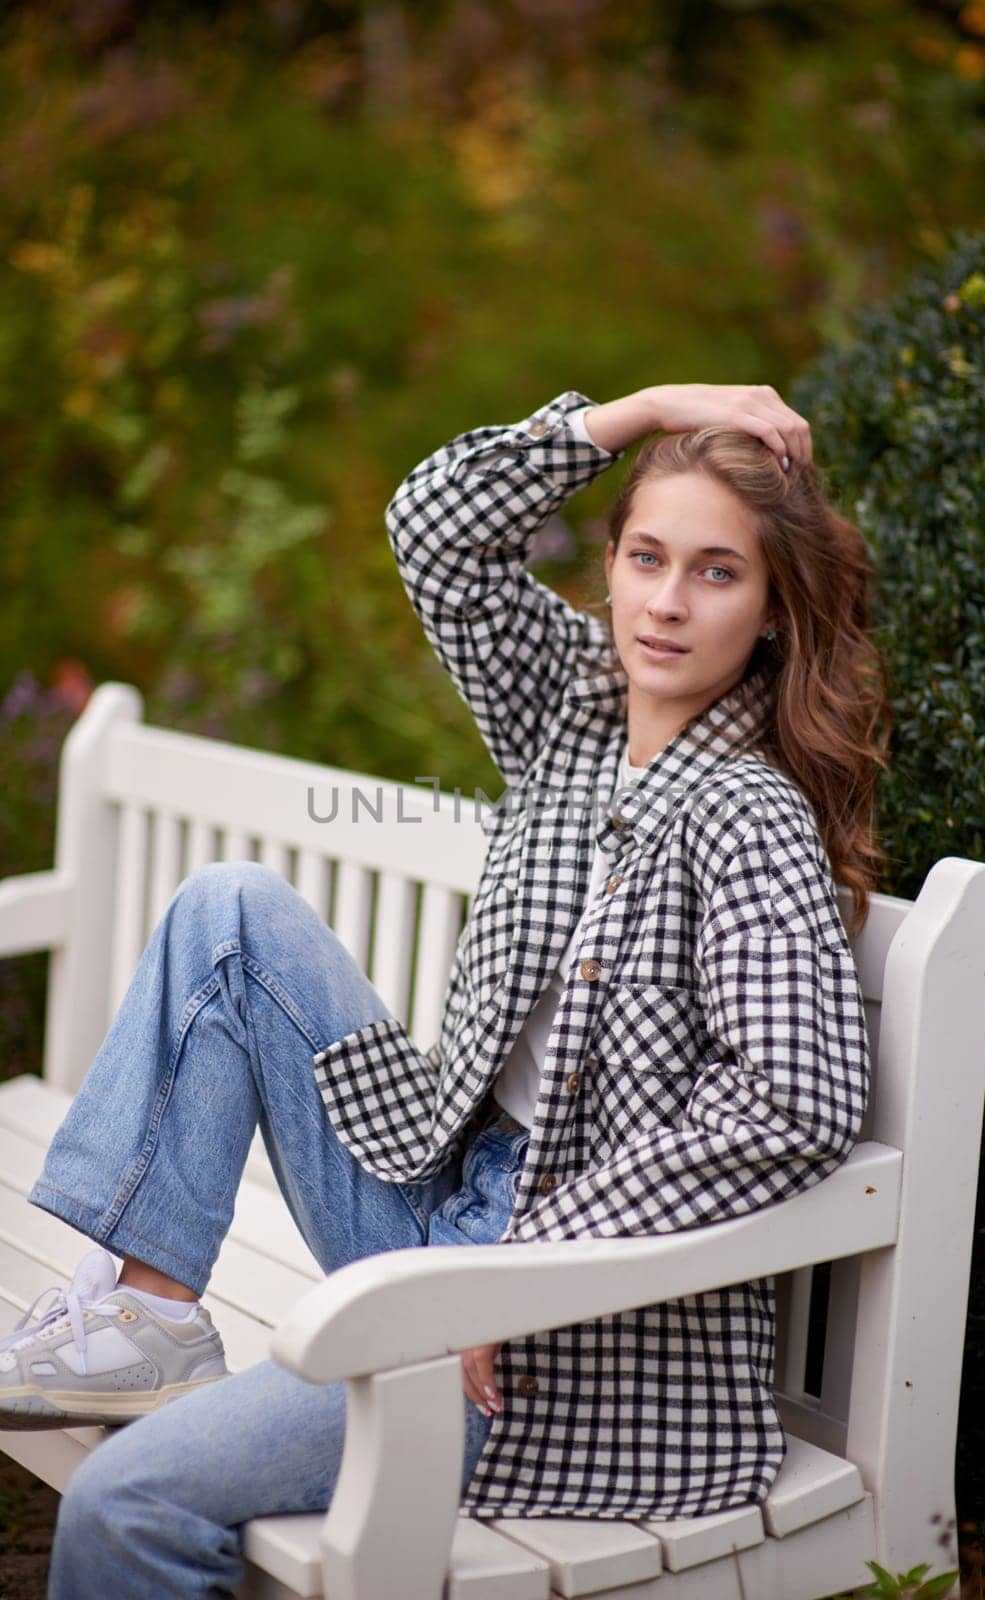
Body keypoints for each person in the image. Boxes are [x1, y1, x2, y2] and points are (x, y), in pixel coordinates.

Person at [1, 384, 886, 1598]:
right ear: (615, 567)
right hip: (437, 1194)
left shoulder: (745, 817)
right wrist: (644, 409)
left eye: (718, 572)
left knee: (125, 1500)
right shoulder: (576, 714)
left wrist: (522, 1266)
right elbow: (434, 525)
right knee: (232, 912)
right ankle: (152, 1318)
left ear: (776, 610)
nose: (668, 602)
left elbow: (796, 1100)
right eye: (646, 556)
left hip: (560, 1329)